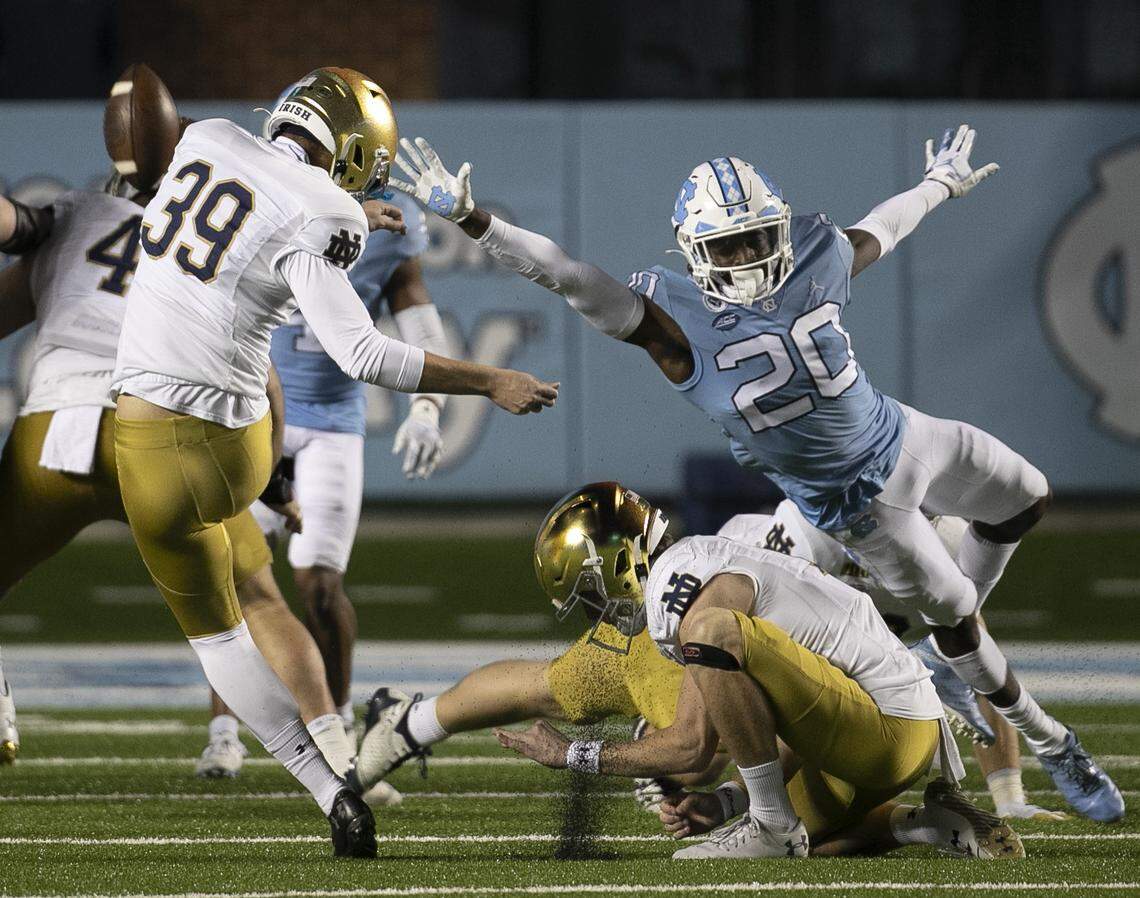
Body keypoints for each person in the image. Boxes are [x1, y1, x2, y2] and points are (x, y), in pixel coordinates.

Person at [385, 129, 1122, 822]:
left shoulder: (813, 255)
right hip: (858, 507)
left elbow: (880, 229)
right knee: (956, 615)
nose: (743, 255)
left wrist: (937, 184)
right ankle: (1055, 741)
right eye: (726, 244)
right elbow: (568, 274)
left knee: (1026, 501)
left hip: (905, 433)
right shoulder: (672, 325)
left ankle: (949, 665)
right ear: (693, 250)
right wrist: (478, 219)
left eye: (754, 238)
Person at [108, 67, 558, 857]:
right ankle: (334, 741)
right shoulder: (324, 211)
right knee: (262, 580)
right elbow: (361, 352)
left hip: (140, 445)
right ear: (351, 152)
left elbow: (238, 214)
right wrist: (489, 379)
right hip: (233, 447)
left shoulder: (206, 137)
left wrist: (347, 211)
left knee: (220, 637)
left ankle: (326, 788)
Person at [491, 483, 1022, 860]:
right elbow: (791, 710)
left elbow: (689, 747)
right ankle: (930, 824)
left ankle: (771, 826)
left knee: (711, 632)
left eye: (590, 595)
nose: (597, 613)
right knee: (818, 844)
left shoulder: (681, 586)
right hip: (874, 731)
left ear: (618, 566)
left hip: (883, 728)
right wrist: (724, 802)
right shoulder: (696, 563)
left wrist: (570, 754)